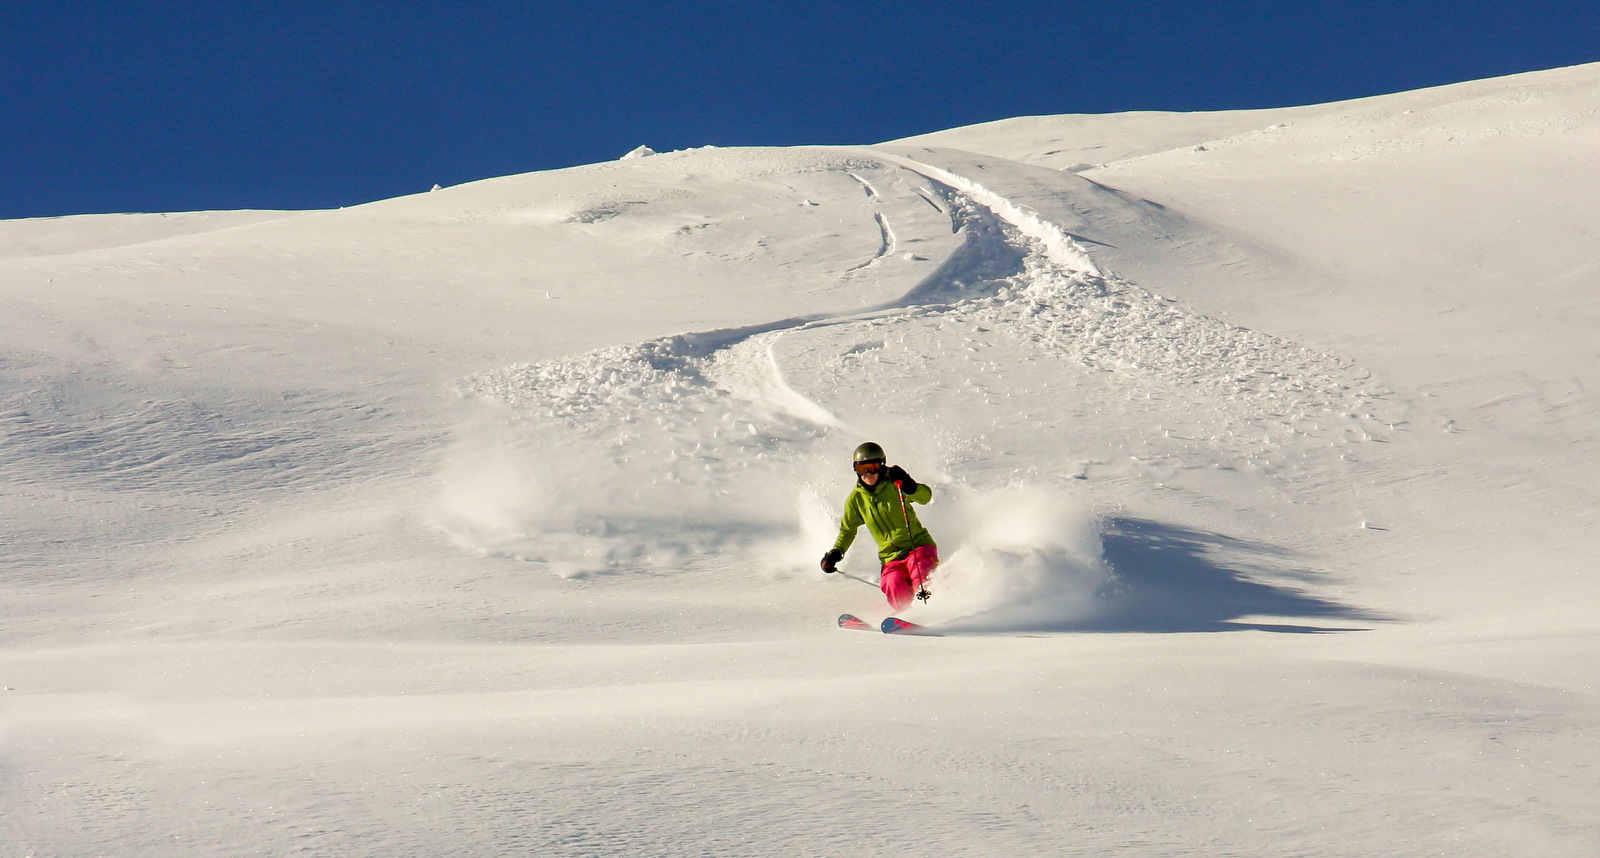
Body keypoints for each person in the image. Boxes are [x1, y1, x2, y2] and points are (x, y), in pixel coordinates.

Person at [820, 441, 939, 610]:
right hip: (890, 557)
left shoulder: (896, 483)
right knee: (893, 584)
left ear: (881, 465)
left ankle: (934, 608)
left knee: (921, 574)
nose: (868, 474)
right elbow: (848, 529)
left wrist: (910, 485)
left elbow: (925, 497)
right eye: (862, 469)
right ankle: (910, 615)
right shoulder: (856, 500)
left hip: (917, 546)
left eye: (872, 467)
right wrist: (836, 552)